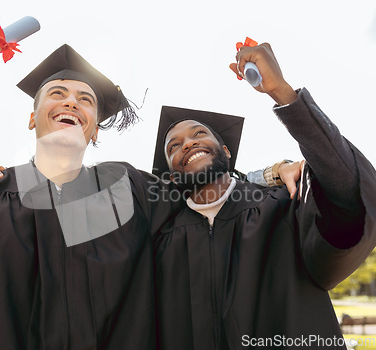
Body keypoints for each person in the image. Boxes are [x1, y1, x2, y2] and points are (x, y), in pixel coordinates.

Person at [0, 36, 299, 349]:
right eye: (56, 93)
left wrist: (273, 172)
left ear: (95, 128)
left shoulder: (128, 192)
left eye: (86, 99)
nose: (72, 102)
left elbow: (207, 188)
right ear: (32, 117)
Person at [151, 42, 376, 349]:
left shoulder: (284, 207)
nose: (188, 143)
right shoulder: (161, 236)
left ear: (226, 152)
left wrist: (282, 93)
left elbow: (349, 192)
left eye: (199, 133)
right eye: (174, 146)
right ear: (173, 175)